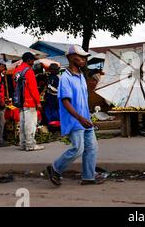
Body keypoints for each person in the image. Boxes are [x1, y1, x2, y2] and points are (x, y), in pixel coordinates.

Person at [47, 45, 102, 186]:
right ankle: (55, 168)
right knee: (78, 149)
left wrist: (88, 116)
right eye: (81, 57)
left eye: (85, 57)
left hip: (85, 119)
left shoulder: (81, 76)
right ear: (71, 58)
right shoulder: (65, 78)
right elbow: (65, 101)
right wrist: (80, 118)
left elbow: (83, 98)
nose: (84, 60)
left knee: (92, 148)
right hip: (74, 120)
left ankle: (88, 177)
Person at [13, 52, 44, 151]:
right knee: (30, 124)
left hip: (20, 102)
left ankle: (22, 144)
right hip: (29, 102)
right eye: (33, 60)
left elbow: (15, 87)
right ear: (28, 60)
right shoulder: (29, 71)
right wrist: (38, 102)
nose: (33, 62)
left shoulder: (16, 71)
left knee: (22, 124)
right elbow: (33, 88)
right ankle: (30, 145)